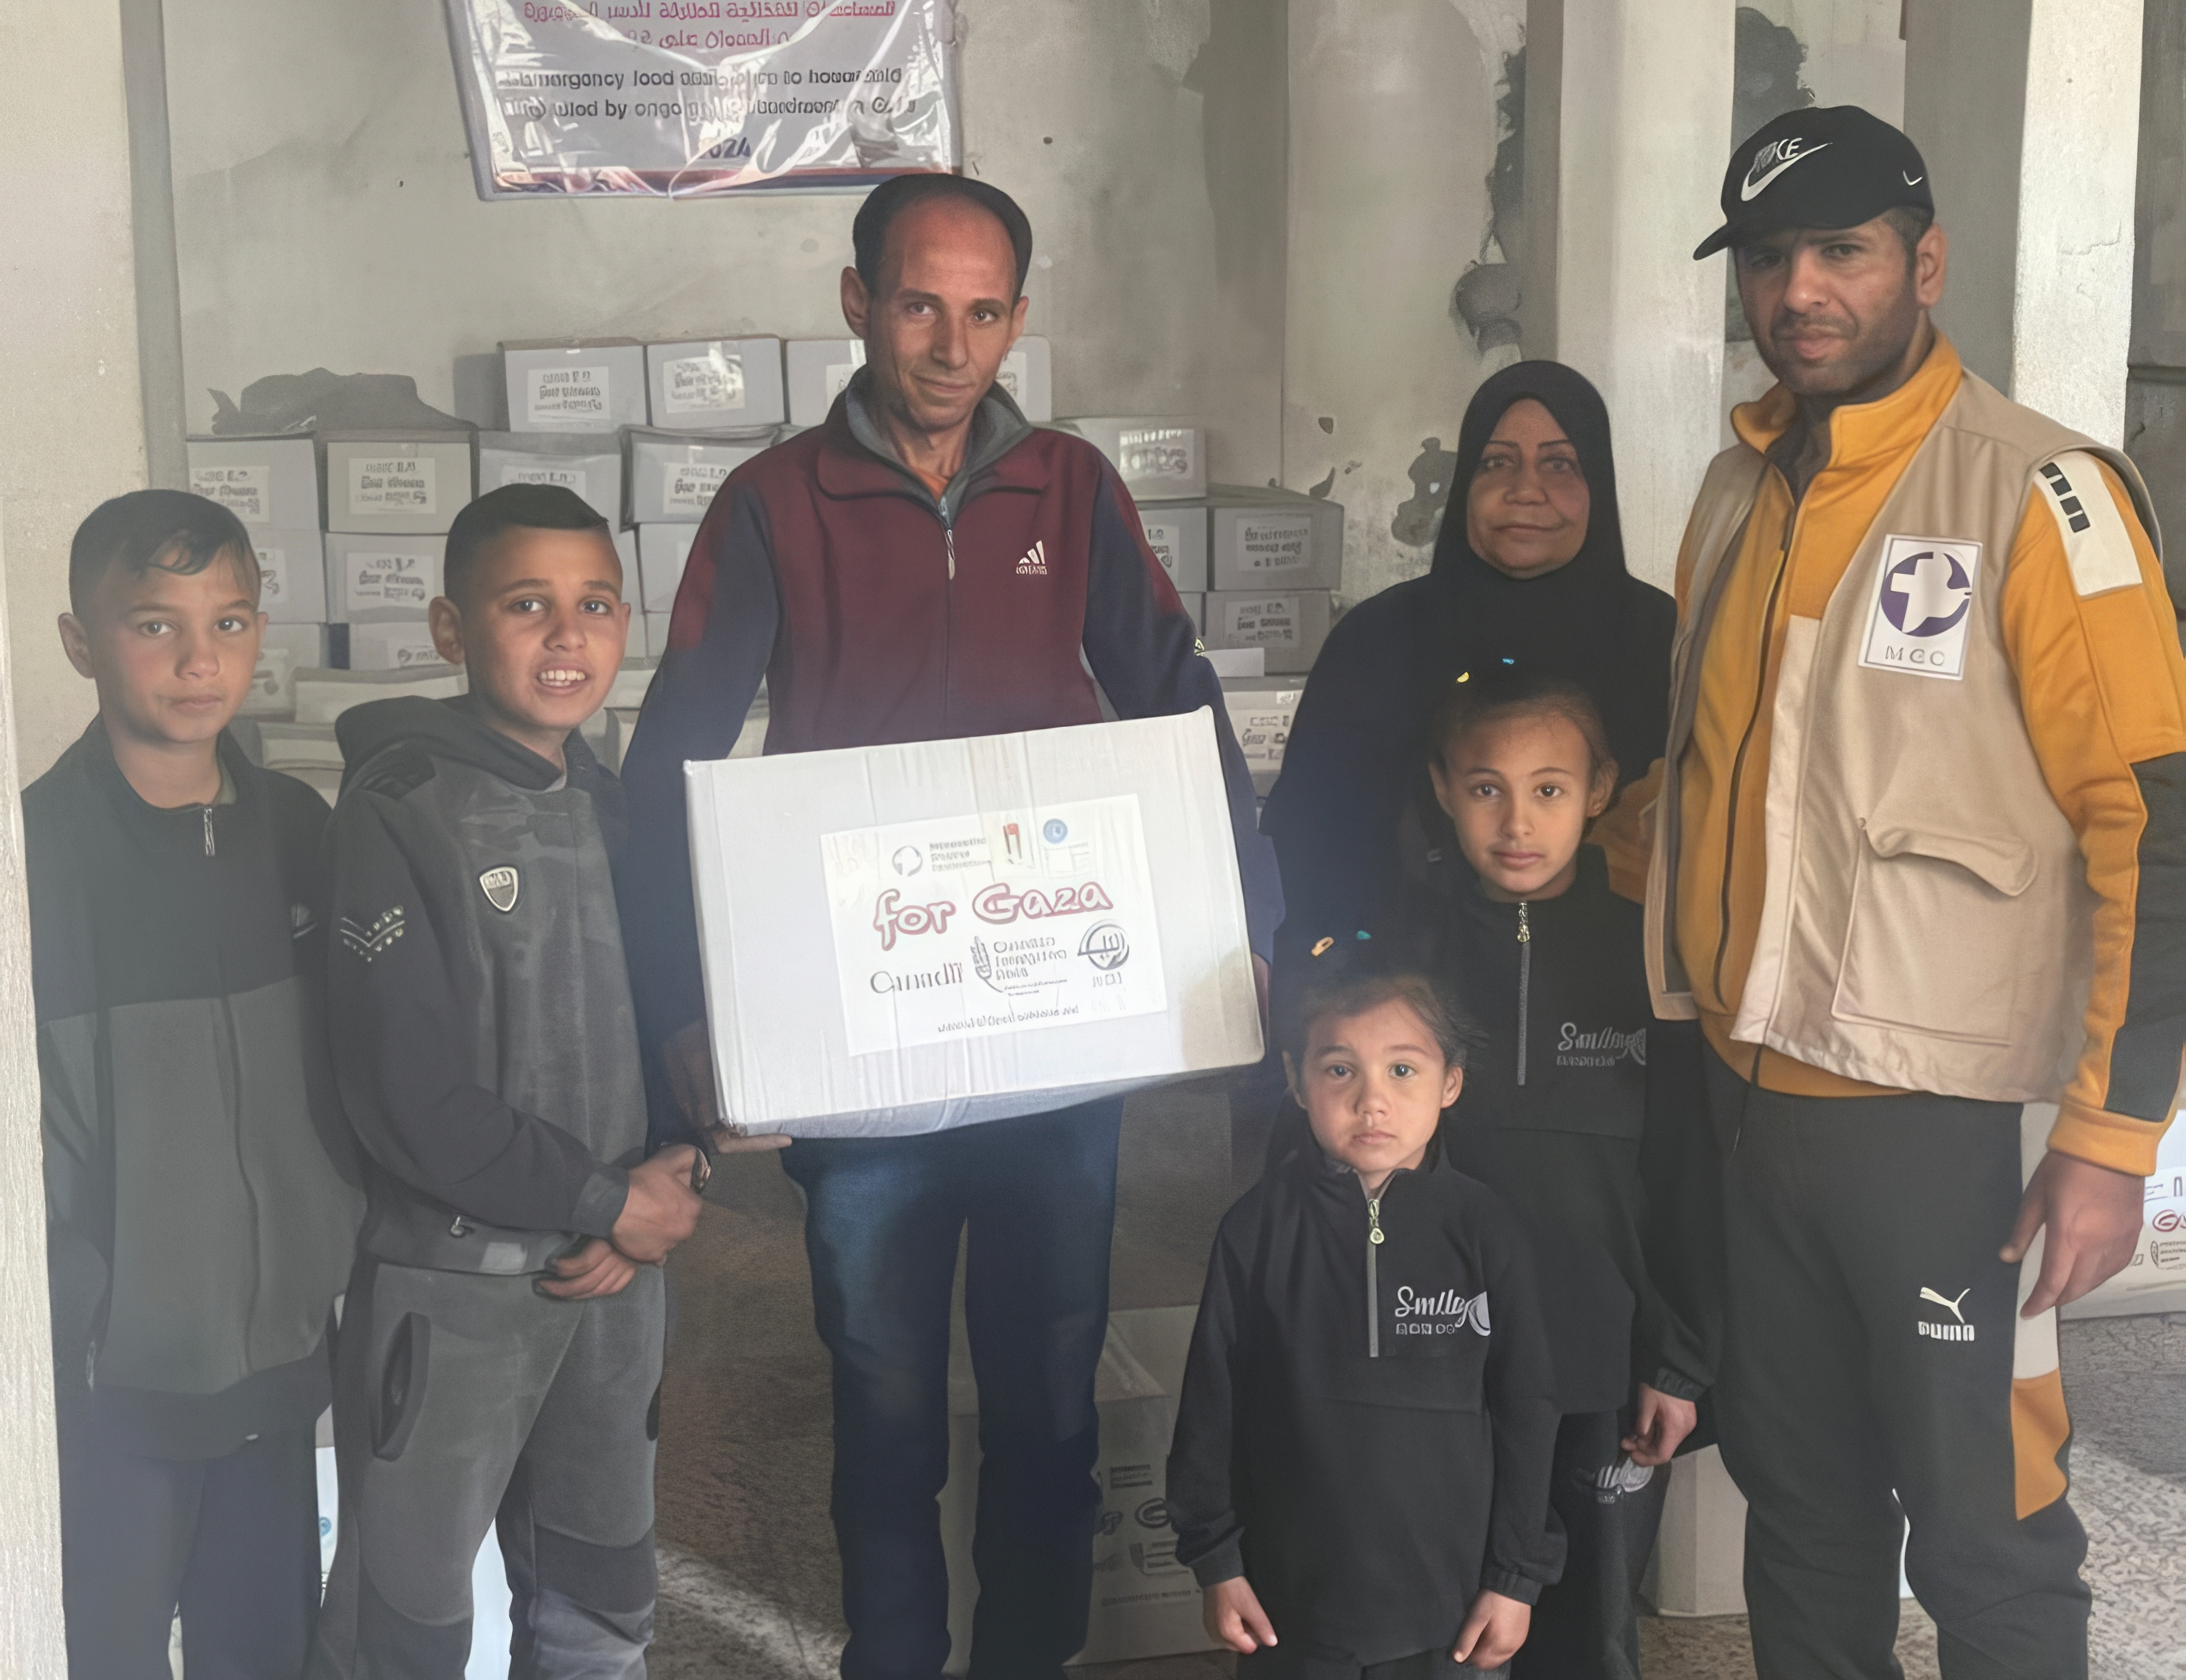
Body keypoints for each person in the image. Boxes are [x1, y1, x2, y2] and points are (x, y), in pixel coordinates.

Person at [616, 174, 1281, 1680]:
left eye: (985, 311)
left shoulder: (1071, 488)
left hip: (1055, 1025)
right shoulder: (777, 503)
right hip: (867, 1032)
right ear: (856, 303)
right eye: (920, 303)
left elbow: (1177, 698)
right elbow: (673, 770)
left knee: (1047, 1391)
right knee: (885, 1396)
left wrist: (1243, 919)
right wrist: (684, 1008)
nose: (950, 342)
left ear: (1018, 321)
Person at [1655, 105, 2186, 1676]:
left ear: (1925, 261)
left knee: (1988, 1527)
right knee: (1800, 1509)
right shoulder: (1736, 492)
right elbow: (1721, 789)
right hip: (1753, 1107)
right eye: (1769, 258)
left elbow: (2149, 825)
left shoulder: (2045, 496)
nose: (1801, 289)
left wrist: (2108, 1139)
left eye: (1843, 251)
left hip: (1949, 1132)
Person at [308, 486, 715, 1679]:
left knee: (601, 1600)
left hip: (615, 1285)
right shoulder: (397, 810)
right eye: (525, 605)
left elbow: (672, 1033)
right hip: (455, 1294)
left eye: (593, 605)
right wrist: (602, 1198)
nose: (565, 636)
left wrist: (677, 1171)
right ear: (449, 629)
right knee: (408, 1628)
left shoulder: (615, 804)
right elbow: (404, 1094)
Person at [27, 489, 364, 1678]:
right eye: (153, 624)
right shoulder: (36, 857)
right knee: (104, 1646)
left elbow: (357, 1061)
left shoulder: (299, 828)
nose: (196, 660)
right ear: (80, 643)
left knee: (261, 1644)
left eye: (227, 623)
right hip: (113, 1372)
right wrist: (85, 1297)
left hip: (278, 1353)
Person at [1398, 667, 1710, 1680]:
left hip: (1604, 1364)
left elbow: (1690, 1174)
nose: (1517, 819)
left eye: (1549, 787)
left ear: (1603, 788)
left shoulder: (1649, 961)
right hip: (1442, 1354)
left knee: (1590, 1633)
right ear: (1444, 786)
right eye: (1487, 786)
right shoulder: (1408, 959)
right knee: (1448, 1616)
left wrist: (1679, 1359)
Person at [1166, 944, 1564, 1678]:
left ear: (1452, 1083)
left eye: (1403, 1069)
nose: (1371, 1099)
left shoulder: (1487, 1230)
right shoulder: (1255, 1229)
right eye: (1340, 1069)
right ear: (1295, 1080)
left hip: (1454, 1616)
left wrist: (1515, 1577)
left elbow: (1528, 1411)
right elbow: (1209, 1410)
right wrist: (1216, 1561)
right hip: (1292, 1613)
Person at [1262, 361, 1674, 950]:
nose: (1525, 489)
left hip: (1616, 1006)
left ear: (1598, 483)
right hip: (1410, 998)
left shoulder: (1660, 640)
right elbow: (1309, 841)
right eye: (1497, 462)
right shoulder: (1380, 638)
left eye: (1559, 464)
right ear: (1465, 485)